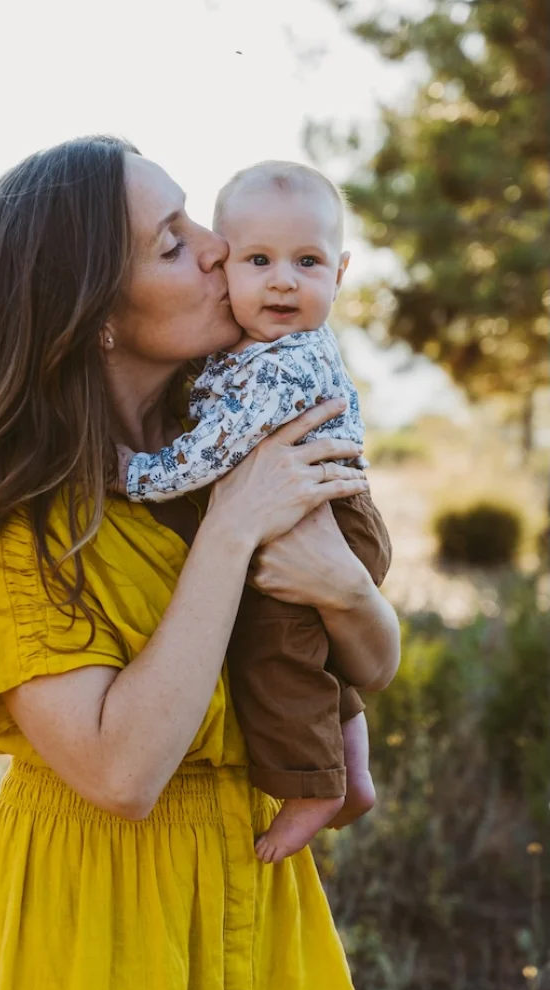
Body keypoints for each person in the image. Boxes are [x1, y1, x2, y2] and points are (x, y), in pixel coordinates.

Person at [0, 136, 400, 990]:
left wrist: (346, 589)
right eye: (171, 242)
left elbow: (370, 663)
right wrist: (233, 531)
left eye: (196, 220)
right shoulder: (19, 528)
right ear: (97, 319)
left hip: (256, 897)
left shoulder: (226, 443)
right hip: (100, 928)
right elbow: (122, 773)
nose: (216, 248)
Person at [119, 160, 392, 863]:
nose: (282, 282)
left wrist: (137, 474)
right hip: (318, 507)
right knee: (307, 650)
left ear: (340, 273)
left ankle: (313, 784)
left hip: (323, 517)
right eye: (259, 260)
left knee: (274, 648)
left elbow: (213, 450)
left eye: (308, 262)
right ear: (229, 264)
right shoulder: (250, 351)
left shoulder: (279, 363)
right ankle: (352, 765)